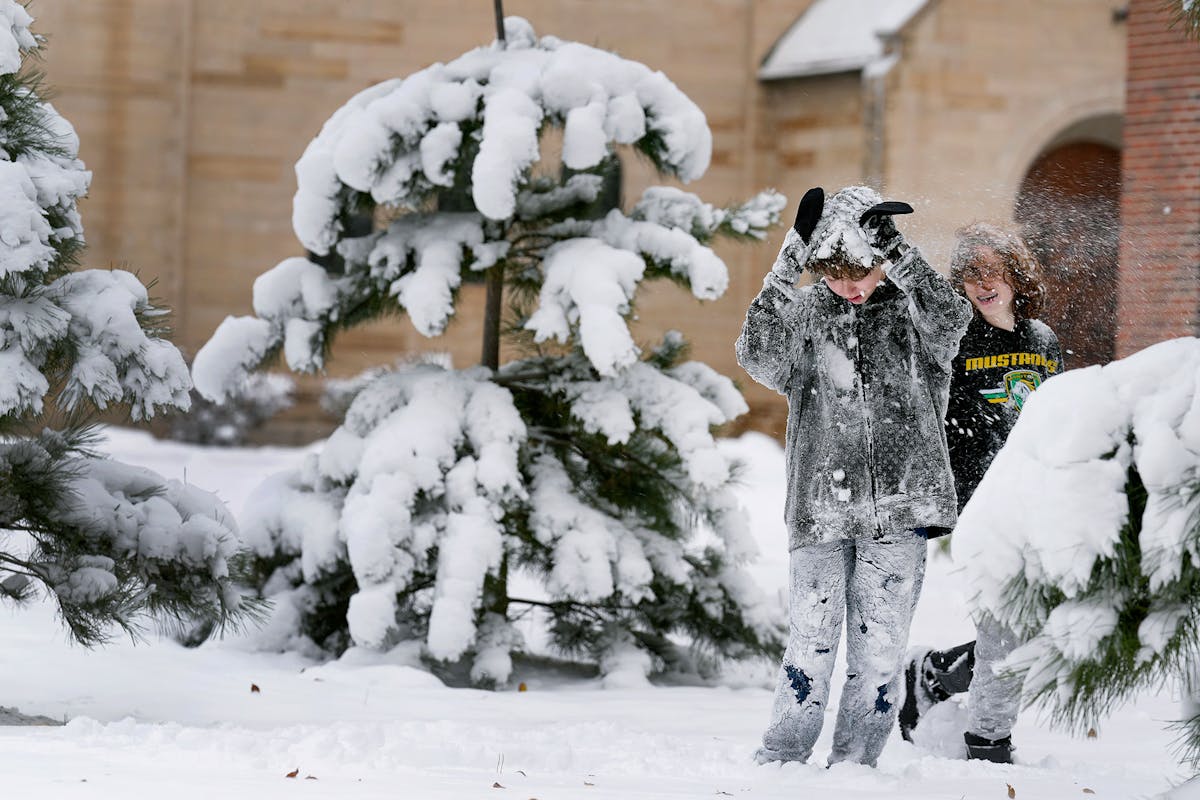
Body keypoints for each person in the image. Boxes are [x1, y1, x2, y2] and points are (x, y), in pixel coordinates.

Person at [736, 185, 972, 767]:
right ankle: (784, 760)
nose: (850, 287)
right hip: (821, 507)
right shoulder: (807, 315)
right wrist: (789, 258)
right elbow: (756, 352)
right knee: (811, 642)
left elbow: (954, 318)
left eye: (861, 272)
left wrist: (898, 252)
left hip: (902, 505)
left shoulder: (914, 315)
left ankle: (855, 765)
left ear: (880, 259)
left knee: (881, 651)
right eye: (835, 275)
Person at [897, 222, 1063, 764]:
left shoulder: (1042, 341)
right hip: (979, 502)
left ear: (1017, 274)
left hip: (1037, 502)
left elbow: (1057, 420)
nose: (983, 282)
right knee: (1003, 623)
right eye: (971, 273)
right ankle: (988, 742)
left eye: (994, 270)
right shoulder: (955, 338)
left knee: (1041, 630)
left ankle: (934, 674)